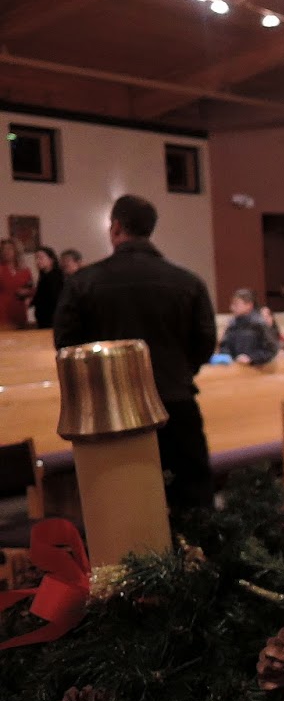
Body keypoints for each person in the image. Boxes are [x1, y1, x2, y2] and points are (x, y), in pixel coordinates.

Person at [54, 195, 217, 511]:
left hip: (109, 412)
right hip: (175, 403)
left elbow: (66, 346)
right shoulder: (188, 282)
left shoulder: (83, 283)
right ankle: (198, 559)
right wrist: (177, 373)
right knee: (192, 502)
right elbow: (205, 343)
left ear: (115, 227)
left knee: (123, 508)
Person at [218, 288, 280, 365]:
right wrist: (229, 357)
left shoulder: (259, 324)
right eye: (232, 304)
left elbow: (271, 349)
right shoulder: (232, 325)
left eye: (236, 304)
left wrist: (251, 358)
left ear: (249, 305)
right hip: (235, 368)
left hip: (256, 370)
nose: (232, 308)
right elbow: (224, 346)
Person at [0, 238, 33, 330]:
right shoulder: (1, 269)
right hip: (3, 312)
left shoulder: (25, 270)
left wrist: (26, 292)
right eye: (3, 249)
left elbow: (31, 289)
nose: (6, 252)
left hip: (19, 311)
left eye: (9, 249)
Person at [29, 246, 65, 330]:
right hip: (45, 319)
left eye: (41, 258)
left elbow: (53, 299)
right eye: (36, 258)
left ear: (51, 260)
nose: (37, 261)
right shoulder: (44, 276)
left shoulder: (55, 277)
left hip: (52, 320)